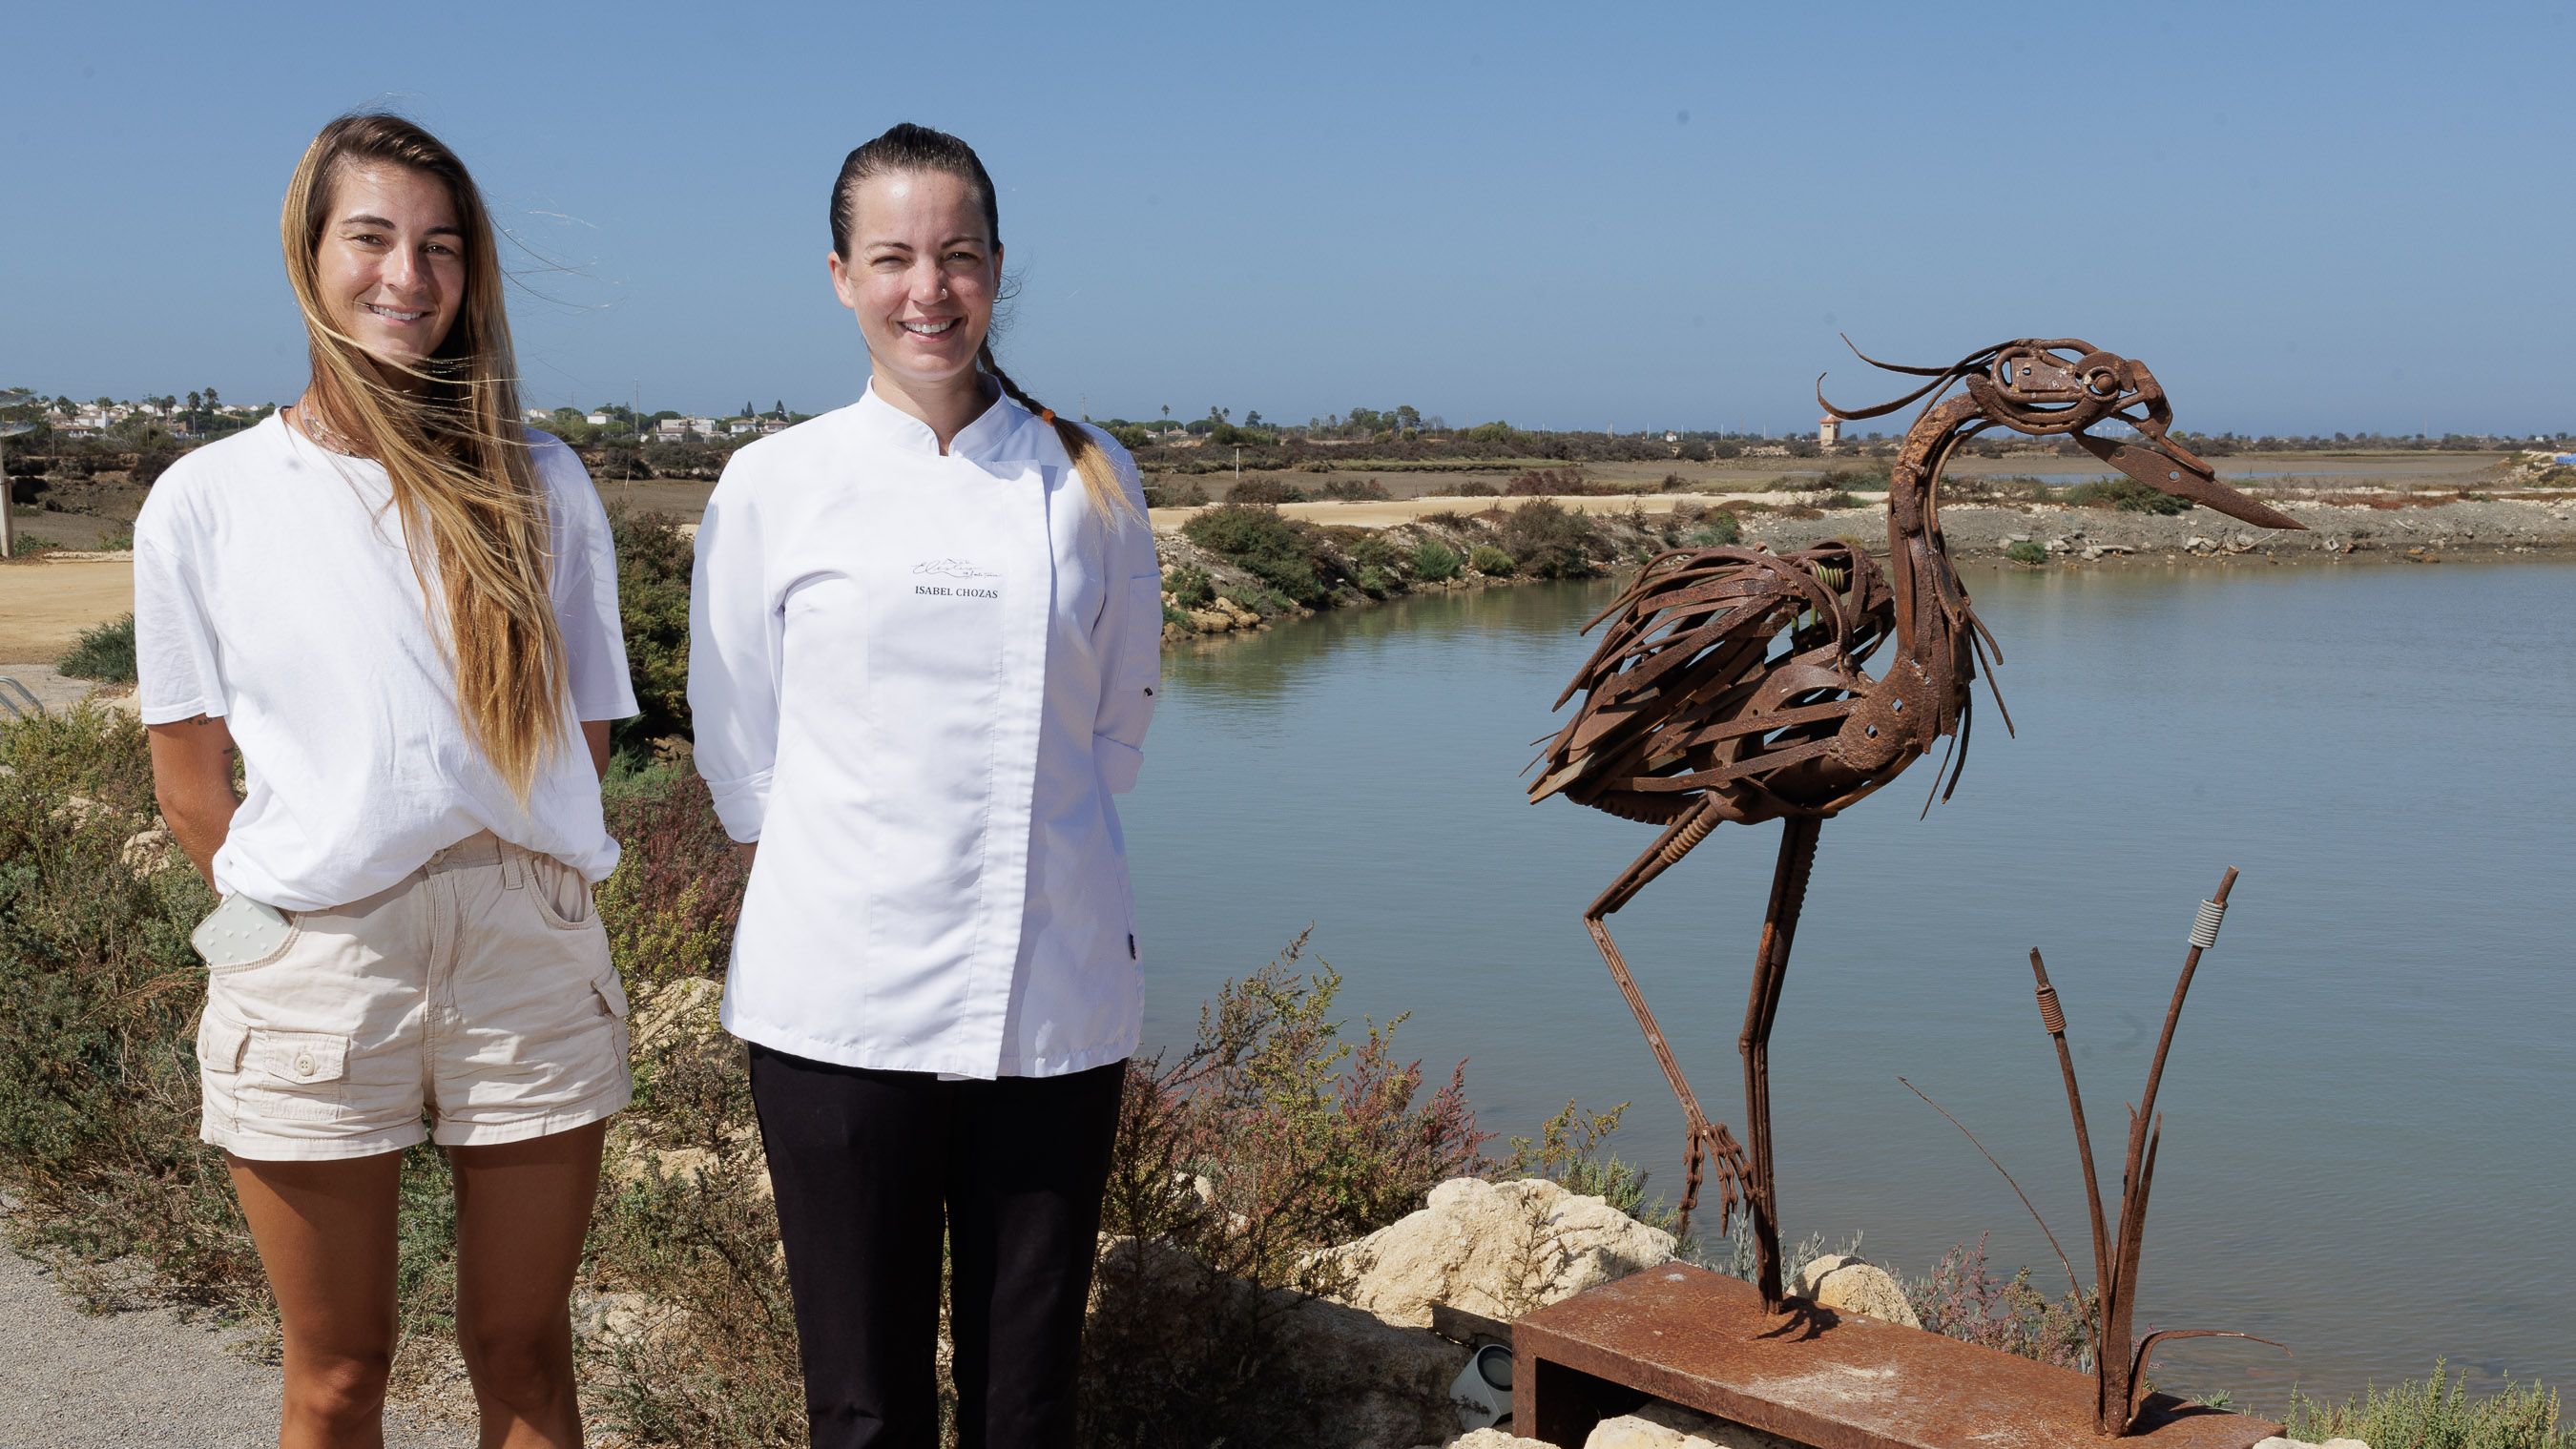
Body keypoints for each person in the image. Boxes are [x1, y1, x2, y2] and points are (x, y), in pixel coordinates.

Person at [134, 114, 636, 1449]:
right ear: (308, 253)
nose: (406, 278)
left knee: (525, 1359)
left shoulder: (541, 482)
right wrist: (258, 953)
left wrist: (523, 883)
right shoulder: (205, 499)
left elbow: (583, 740)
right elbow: (191, 788)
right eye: (373, 238)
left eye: (440, 248)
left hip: (525, 951)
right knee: (339, 1376)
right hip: (315, 960)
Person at [688, 121, 1161, 1448]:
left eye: (956, 256)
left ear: (998, 270)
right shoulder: (774, 485)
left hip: (1052, 994)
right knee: (859, 1403)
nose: (926, 289)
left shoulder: (1091, 477)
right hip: (837, 1003)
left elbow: (1115, 730)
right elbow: (745, 749)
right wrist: (870, 870)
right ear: (840, 276)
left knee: (1027, 1403)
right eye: (891, 257)